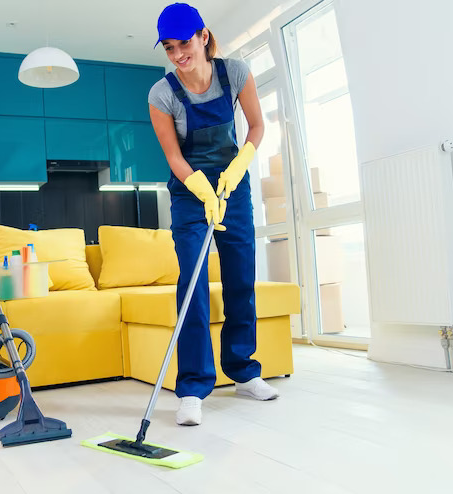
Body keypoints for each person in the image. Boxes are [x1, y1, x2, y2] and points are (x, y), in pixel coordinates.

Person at [148, 3, 279, 426]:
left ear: (203, 36)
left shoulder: (235, 73)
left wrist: (239, 166)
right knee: (193, 284)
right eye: (169, 47)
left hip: (233, 187)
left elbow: (257, 127)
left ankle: (244, 372)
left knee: (242, 275)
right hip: (190, 193)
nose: (177, 54)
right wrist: (202, 189)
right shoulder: (162, 93)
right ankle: (192, 387)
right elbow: (173, 155)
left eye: (183, 43)